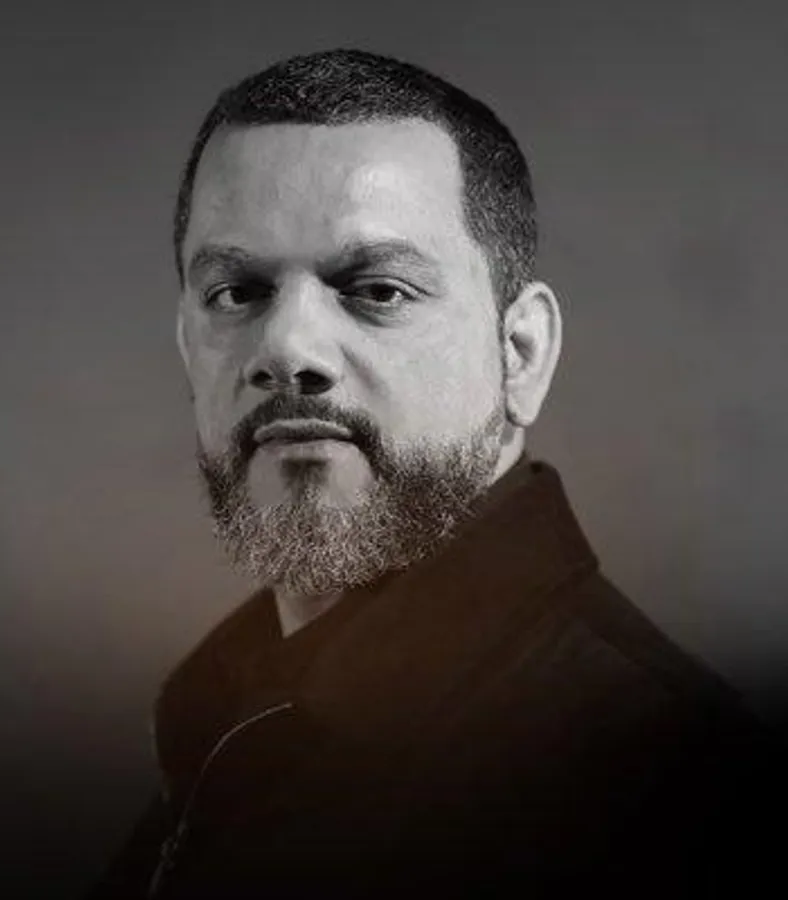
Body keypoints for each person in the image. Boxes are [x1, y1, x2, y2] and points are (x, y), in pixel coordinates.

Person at [89, 48, 785, 898]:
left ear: (520, 353)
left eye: (378, 290)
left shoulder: (685, 796)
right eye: (236, 293)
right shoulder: (219, 723)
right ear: (186, 346)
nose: (288, 350)